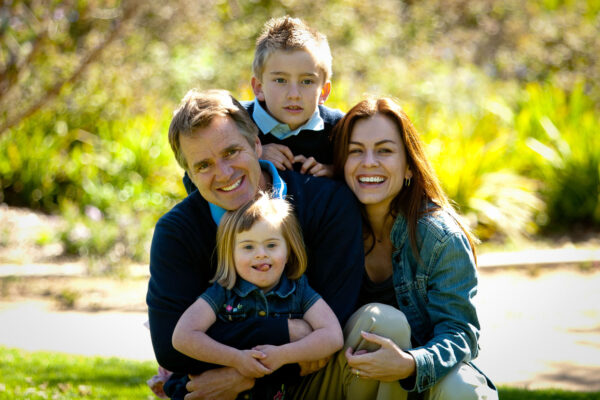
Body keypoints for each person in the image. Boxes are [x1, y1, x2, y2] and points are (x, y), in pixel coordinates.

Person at [146, 88, 364, 400]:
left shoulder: (328, 204)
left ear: (257, 144)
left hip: (316, 382)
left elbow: (336, 327)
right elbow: (171, 347)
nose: (223, 173)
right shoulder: (177, 231)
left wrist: (241, 376)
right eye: (203, 165)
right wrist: (290, 331)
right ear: (190, 174)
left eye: (231, 152)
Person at [292, 97, 498, 399]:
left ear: (408, 168)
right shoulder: (323, 225)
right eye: (355, 151)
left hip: (411, 375)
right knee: (383, 321)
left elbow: (460, 332)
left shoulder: (439, 237)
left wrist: (410, 364)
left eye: (385, 150)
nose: (369, 162)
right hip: (334, 376)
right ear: (341, 164)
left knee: (465, 390)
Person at [172, 194, 343, 399]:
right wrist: (237, 359)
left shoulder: (299, 290)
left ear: (288, 250)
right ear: (230, 254)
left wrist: (283, 355)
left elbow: (333, 336)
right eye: (248, 247)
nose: (261, 254)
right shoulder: (223, 292)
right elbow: (183, 336)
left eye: (271, 245)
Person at [245, 15, 342, 178]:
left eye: (306, 81)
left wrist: (338, 172)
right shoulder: (233, 122)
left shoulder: (341, 129)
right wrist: (252, 154)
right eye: (281, 80)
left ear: (324, 91)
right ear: (259, 87)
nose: (294, 95)